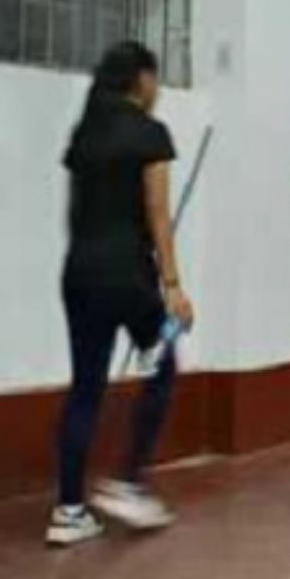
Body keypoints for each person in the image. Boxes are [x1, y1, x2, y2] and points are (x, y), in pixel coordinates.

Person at [47, 41, 197, 547]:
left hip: (80, 276)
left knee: (86, 386)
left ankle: (68, 510)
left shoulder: (84, 135)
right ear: (141, 80)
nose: (157, 91)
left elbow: (75, 213)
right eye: (155, 80)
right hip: (130, 279)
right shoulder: (149, 133)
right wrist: (173, 286)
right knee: (164, 363)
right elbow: (158, 213)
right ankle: (130, 481)